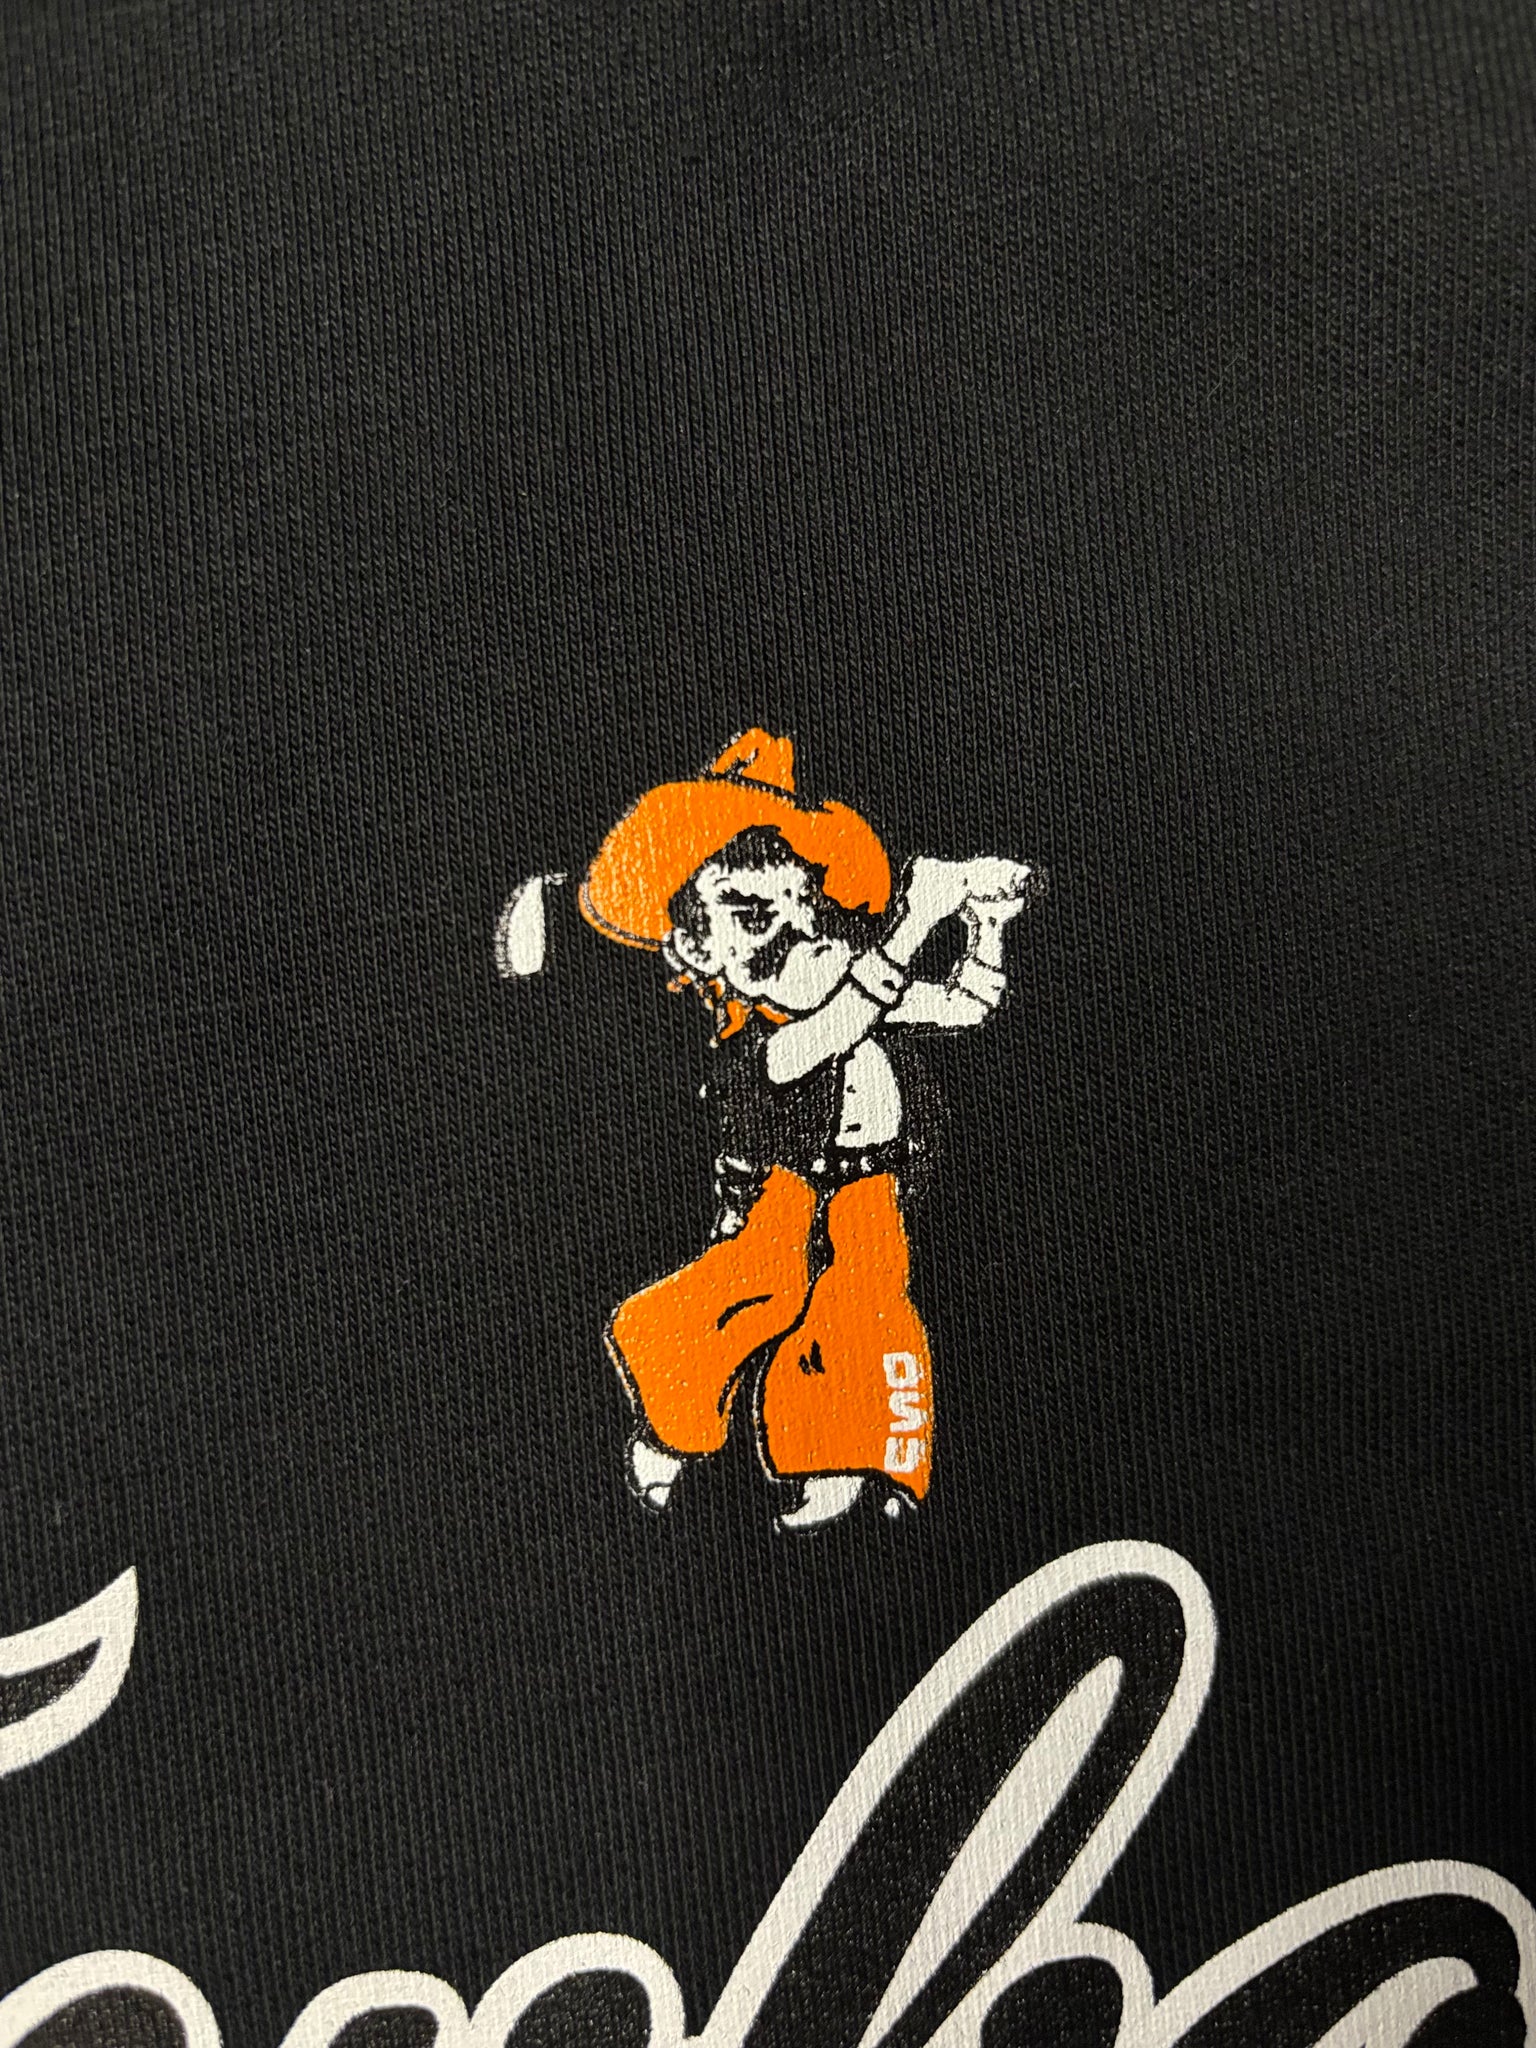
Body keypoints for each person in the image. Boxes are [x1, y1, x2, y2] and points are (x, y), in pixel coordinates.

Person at [579, 730, 1041, 1530]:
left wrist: (987, 925)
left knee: (866, 1311)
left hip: (872, 1187)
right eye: (755, 915)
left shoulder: (863, 993)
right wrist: (914, 919)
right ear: (698, 948)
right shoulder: (762, 1045)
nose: (801, 932)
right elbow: (830, 1032)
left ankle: (839, 1465)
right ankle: (669, 1433)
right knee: (753, 1296)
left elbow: (965, 1005)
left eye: (809, 904)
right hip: (786, 1194)